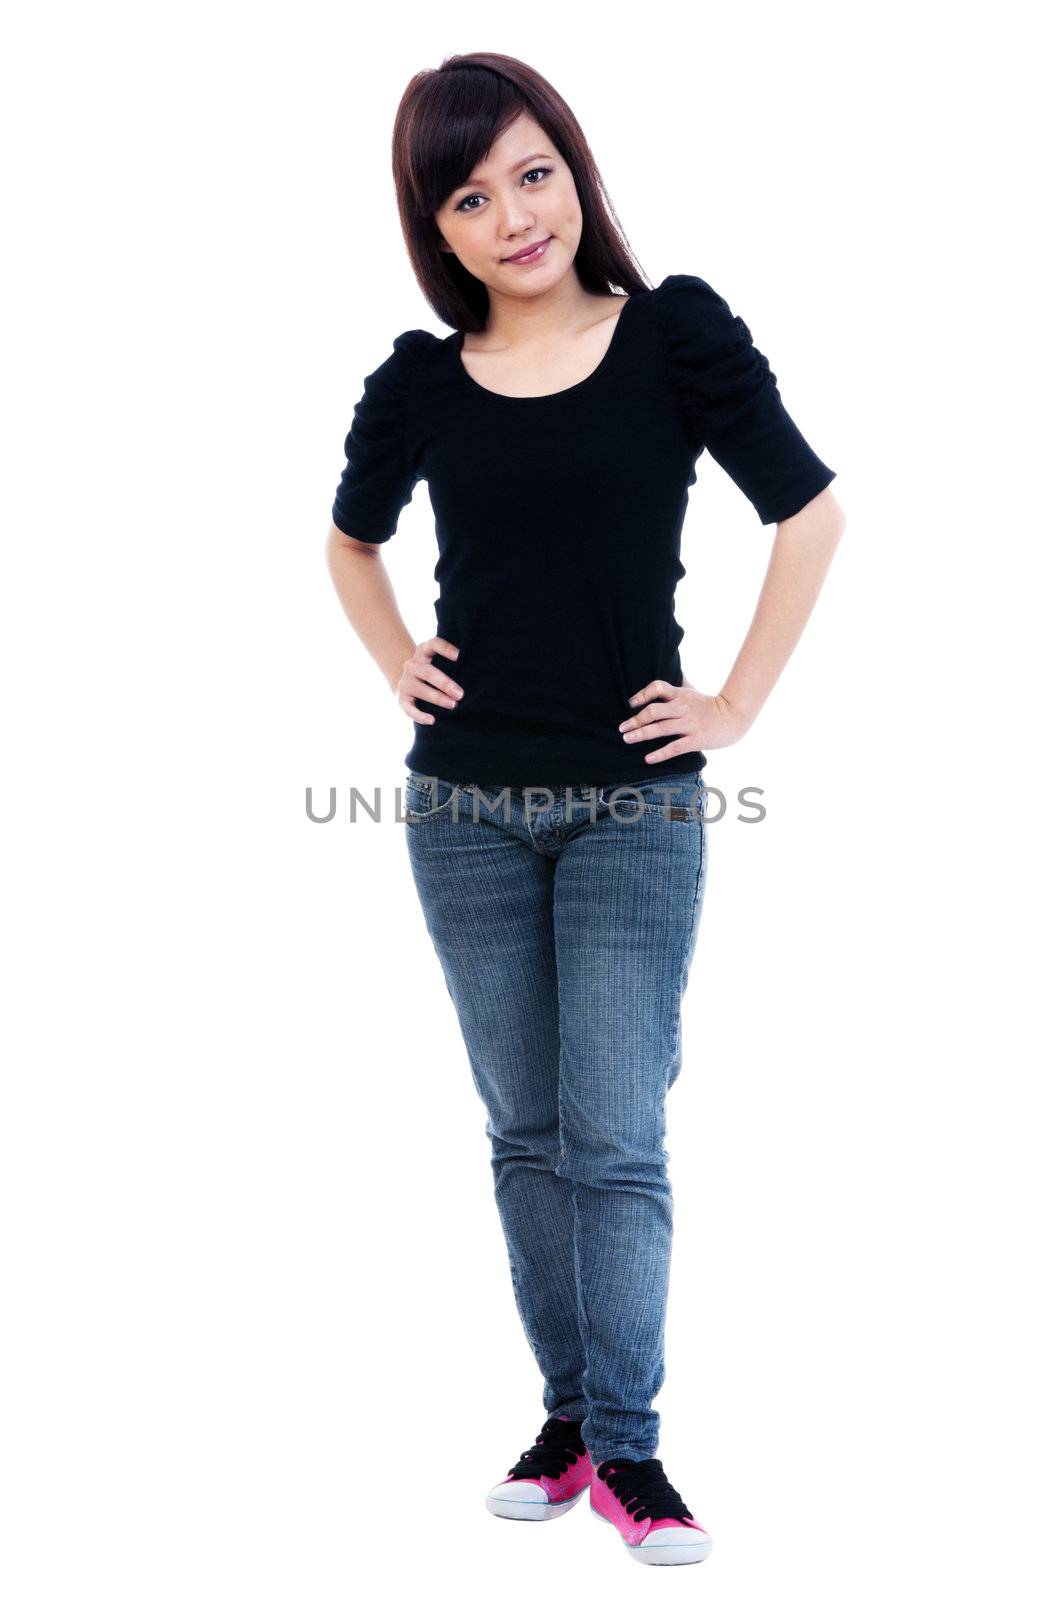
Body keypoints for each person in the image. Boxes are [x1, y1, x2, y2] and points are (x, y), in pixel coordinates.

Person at [325, 51, 845, 1569]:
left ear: (577, 170)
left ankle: (630, 1449)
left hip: (635, 805)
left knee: (617, 1136)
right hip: (463, 814)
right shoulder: (418, 383)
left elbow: (808, 514)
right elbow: (347, 548)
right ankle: (563, 1424)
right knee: (526, 1134)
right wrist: (395, 666)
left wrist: (736, 707)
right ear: (441, 229)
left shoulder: (675, 334)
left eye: (532, 173)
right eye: (469, 196)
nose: (513, 216)